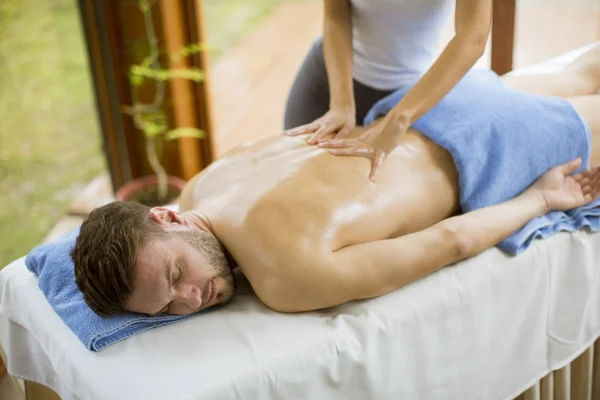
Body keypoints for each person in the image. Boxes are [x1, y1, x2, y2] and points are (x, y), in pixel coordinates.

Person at [71, 46, 600, 318]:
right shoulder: (204, 186)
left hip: (492, 147)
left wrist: (540, 200)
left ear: (165, 216)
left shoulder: (283, 279)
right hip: (424, 107)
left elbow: (452, 241)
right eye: (166, 308)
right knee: (585, 69)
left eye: (174, 276)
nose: (190, 299)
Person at [284, 0, 492, 180]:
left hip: (409, 99)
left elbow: (473, 38)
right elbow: (335, 15)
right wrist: (341, 104)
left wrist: (400, 119)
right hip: (329, 81)